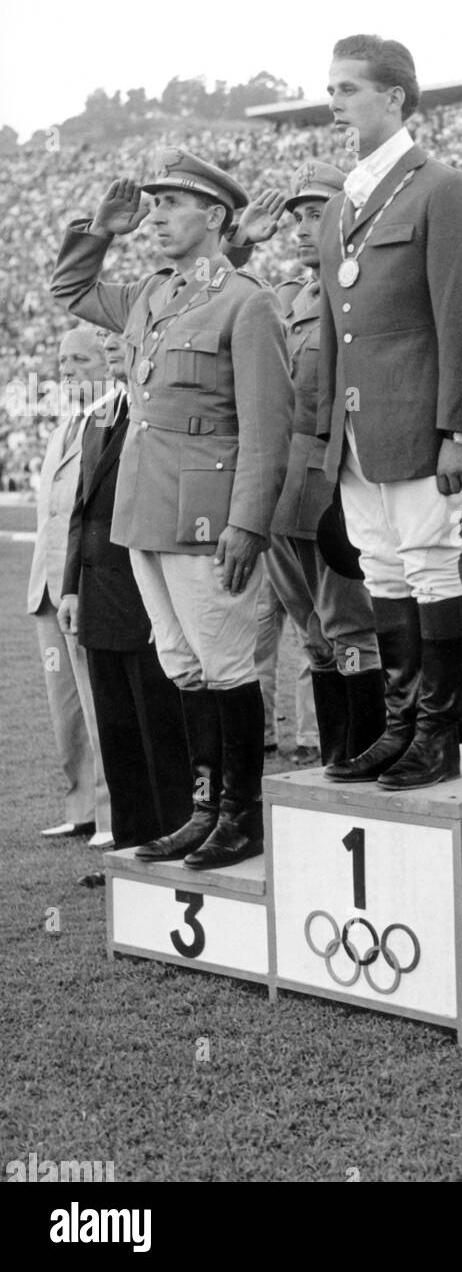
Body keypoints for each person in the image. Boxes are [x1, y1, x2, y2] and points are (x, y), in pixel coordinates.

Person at [50, 147, 293, 870]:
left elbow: (266, 428)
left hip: (206, 518)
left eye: (170, 206)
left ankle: (240, 816)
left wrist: (247, 524)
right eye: (151, 206)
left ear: (214, 216)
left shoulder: (246, 301)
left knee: (224, 666)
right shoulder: (151, 293)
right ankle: (205, 808)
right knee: (183, 666)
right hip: (145, 513)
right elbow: (71, 287)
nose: (155, 217)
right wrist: (102, 230)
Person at [317, 35, 462, 790]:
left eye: (349, 89)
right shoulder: (340, 207)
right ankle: (398, 725)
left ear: (395, 97)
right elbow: (334, 329)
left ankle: (437, 732)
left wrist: (460, 429)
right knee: (381, 569)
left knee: (427, 565)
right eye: (331, 90)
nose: (334, 103)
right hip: (359, 430)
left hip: (421, 422)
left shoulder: (442, 188)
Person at [232, 162, 385, 770]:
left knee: (352, 633)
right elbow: (215, 295)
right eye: (296, 216)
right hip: (280, 494)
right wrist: (242, 241)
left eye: (315, 213)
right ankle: (335, 759)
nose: (300, 226)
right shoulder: (287, 298)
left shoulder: (365, 292)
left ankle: (366, 751)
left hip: (334, 488)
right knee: (314, 636)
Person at [58, 332, 191, 853]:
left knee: (160, 729)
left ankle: (173, 837)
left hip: (146, 595)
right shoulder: (99, 412)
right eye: (106, 346)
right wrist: (70, 587)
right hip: (97, 599)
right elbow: (81, 509)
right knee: (117, 736)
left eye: (122, 342)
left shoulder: (164, 409)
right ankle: (131, 849)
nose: (113, 351)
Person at [27, 325, 112, 845]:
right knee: (65, 706)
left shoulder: (110, 422)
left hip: (80, 585)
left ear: (105, 363)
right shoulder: (65, 424)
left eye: (78, 360)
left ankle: (109, 813)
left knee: (97, 700)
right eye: (62, 362)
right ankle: (79, 806)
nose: (66, 370)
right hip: (45, 589)